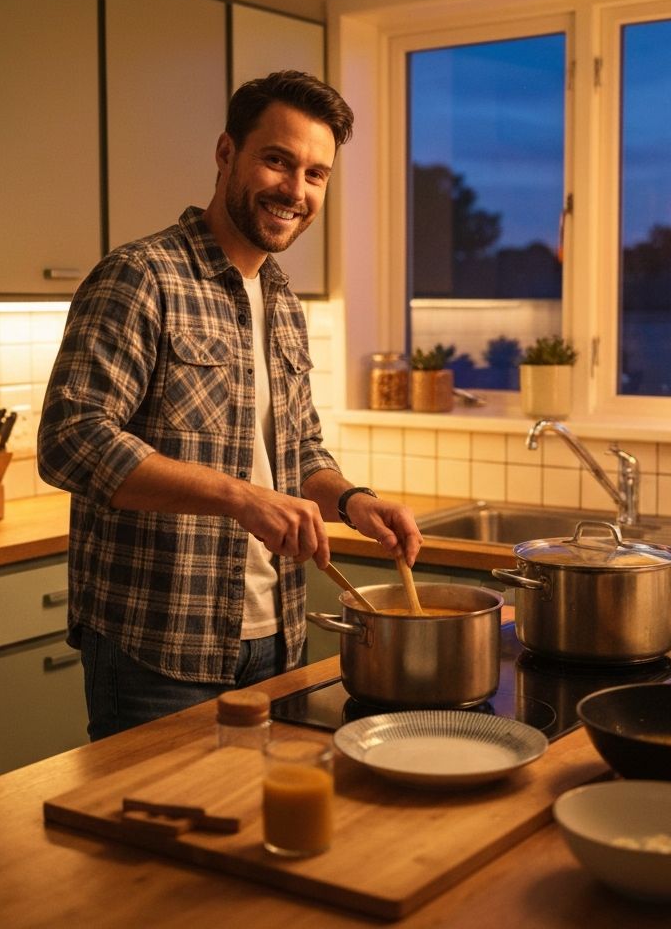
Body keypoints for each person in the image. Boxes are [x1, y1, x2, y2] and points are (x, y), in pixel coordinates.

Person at [37, 70, 422, 740]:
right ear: (226, 154)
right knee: (153, 842)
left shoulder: (283, 302)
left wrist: (354, 501)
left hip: (275, 638)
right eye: (277, 160)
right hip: (158, 648)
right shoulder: (142, 276)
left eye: (315, 174)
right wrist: (242, 498)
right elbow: (71, 439)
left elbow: (298, 452)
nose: (294, 190)